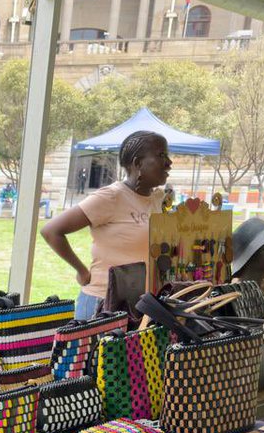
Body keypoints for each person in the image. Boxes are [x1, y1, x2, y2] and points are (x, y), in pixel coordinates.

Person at [41, 130, 171, 319]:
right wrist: (82, 271)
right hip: (102, 305)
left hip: (142, 305)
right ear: (137, 163)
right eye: (161, 155)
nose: (169, 162)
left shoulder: (158, 198)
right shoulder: (111, 197)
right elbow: (51, 231)